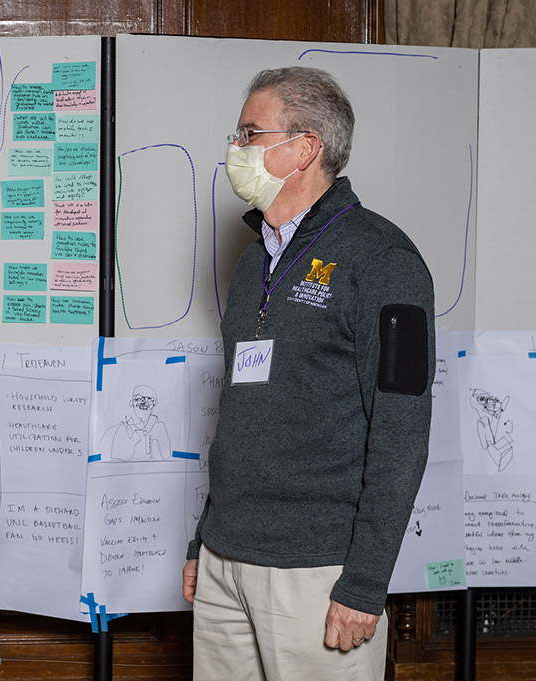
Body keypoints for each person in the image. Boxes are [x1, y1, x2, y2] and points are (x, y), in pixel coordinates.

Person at [182, 67, 434, 680]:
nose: (234, 148)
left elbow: (402, 433)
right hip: (225, 561)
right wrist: (205, 540)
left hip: (318, 574)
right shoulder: (251, 265)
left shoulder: (384, 261)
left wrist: (366, 583)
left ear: (304, 148)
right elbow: (243, 415)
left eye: (250, 133)